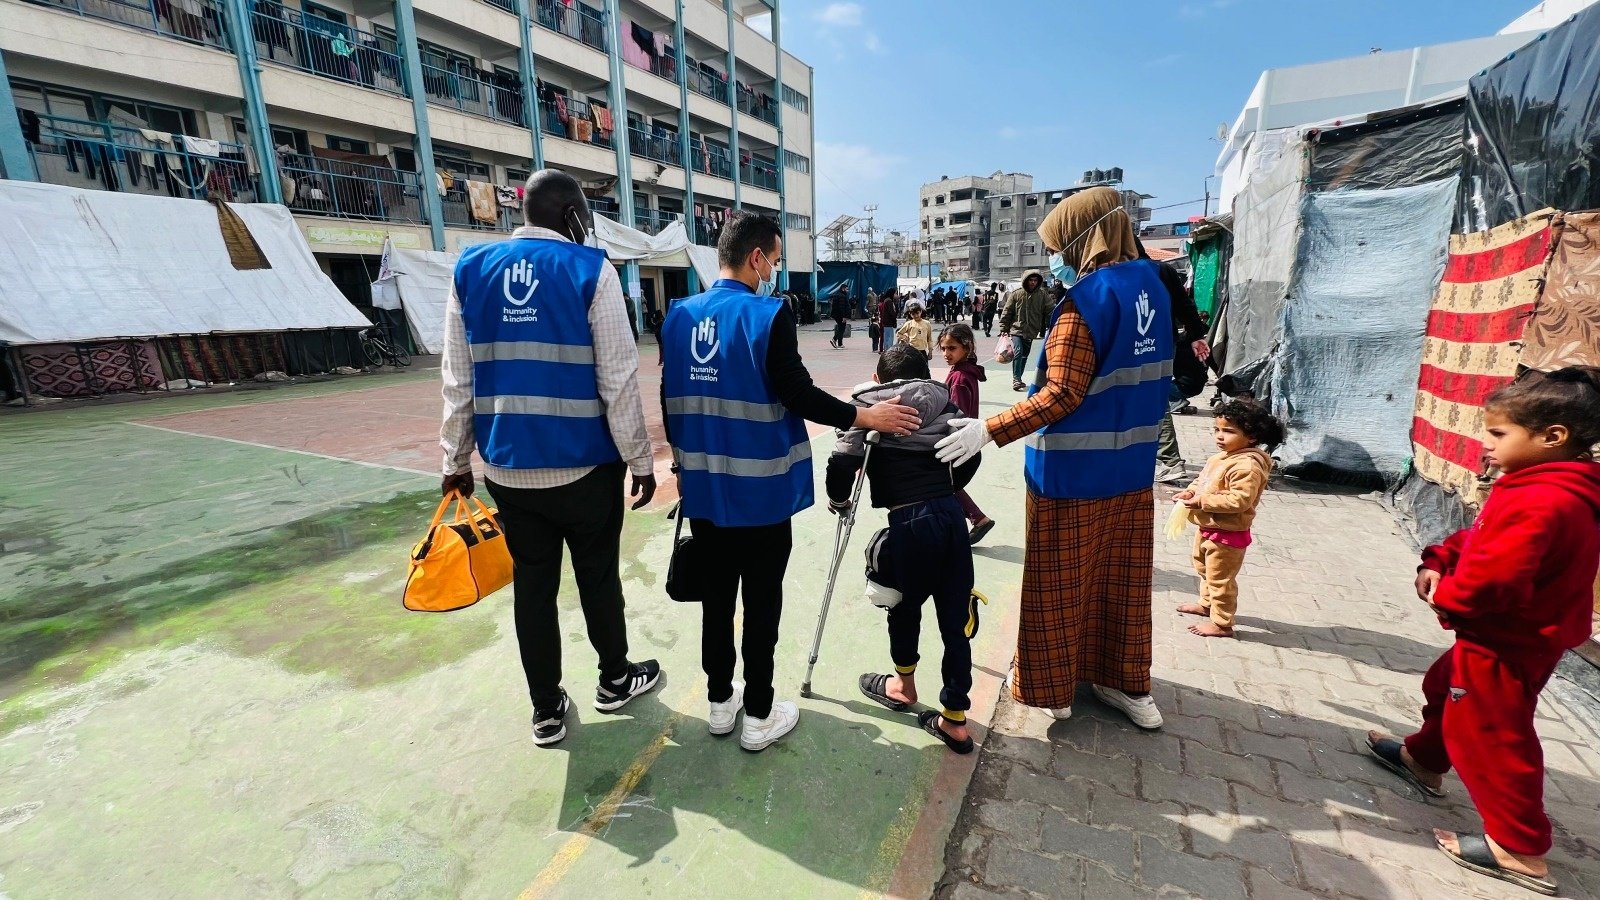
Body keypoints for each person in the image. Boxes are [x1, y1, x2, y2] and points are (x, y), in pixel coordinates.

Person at [660, 212, 921, 752]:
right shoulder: (767, 315)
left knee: (716, 601)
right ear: (757, 257)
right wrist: (864, 416)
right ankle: (757, 714)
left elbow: (671, 402)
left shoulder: (678, 315)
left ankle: (719, 704)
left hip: (704, 493)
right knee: (760, 605)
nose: (774, 271)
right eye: (775, 261)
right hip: (760, 496)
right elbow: (798, 394)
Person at [935, 186, 1174, 728]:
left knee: (1059, 583)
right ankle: (1127, 683)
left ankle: (1052, 686)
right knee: (1123, 582)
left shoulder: (1087, 302)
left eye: (1063, 244)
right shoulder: (1156, 290)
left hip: (1070, 472)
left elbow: (1061, 393)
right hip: (1134, 469)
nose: (1059, 257)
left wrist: (988, 430)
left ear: (1085, 240)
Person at [440, 169, 662, 748]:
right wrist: (641, 460)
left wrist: (453, 458)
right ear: (571, 216)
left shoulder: (469, 271)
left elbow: (457, 380)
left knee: (532, 590)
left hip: (507, 470)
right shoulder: (592, 272)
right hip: (585, 468)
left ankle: (546, 709)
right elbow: (618, 379)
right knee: (597, 578)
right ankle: (615, 678)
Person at [1364, 368, 1600, 898]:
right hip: (1513, 636)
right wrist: (1442, 554)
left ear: (1552, 437)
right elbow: (1483, 537)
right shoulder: (1542, 484)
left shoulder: (1544, 501)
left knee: (1493, 734)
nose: (1486, 445)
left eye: (1498, 434)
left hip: (1508, 639)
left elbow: (1493, 582)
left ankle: (1519, 849)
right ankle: (1423, 759)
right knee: (1446, 685)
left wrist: (1446, 592)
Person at [828, 343, 983, 754]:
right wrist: (949, 484)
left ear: (879, 378)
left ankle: (903, 687)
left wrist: (839, 500)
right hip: (951, 518)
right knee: (954, 618)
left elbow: (842, 461)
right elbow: (968, 452)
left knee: (903, 605)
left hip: (909, 522)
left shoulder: (870, 405)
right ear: (923, 372)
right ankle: (955, 720)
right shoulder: (944, 401)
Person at [1173, 399, 1282, 638]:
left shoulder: (1248, 466)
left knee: (1220, 579)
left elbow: (1239, 501)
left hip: (1228, 533)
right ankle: (1207, 604)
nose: (1220, 436)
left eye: (1229, 431)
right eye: (1217, 430)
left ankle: (1222, 624)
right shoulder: (1220, 458)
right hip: (1208, 525)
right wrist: (1190, 492)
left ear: (1252, 437)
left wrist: (1202, 501)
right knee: (1204, 569)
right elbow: (1202, 480)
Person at [1148, 251, 1213, 485]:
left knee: (1154, 400)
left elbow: (1183, 303)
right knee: (1152, 399)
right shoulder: (1162, 270)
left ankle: (1168, 461)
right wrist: (1196, 334)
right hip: (1162, 342)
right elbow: (1184, 304)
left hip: (1149, 344)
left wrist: (1195, 334)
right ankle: (1161, 458)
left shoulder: (1147, 272)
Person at [939, 323, 996, 544]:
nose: (946, 354)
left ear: (967, 347)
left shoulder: (961, 378)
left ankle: (975, 521)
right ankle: (978, 518)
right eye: (943, 348)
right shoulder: (962, 372)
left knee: (940, 486)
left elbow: (957, 418)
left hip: (959, 444)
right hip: (963, 444)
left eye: (951, 348)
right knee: (947, 486)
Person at [998, 270, 1051, 392]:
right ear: (1026, 280)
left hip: (1031, 331)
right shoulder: (1016, 294)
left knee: (1024, 355)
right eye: (1030, 280)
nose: (1033, 282)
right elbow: (1007, 311)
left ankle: (1019, 378)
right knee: (1018, 351)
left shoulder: (1042, 295)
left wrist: (1052, 324)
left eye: (1035, 280)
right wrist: (1003, 328)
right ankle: (1016, 379)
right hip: (1016, 329)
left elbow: (1050, 310)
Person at [878, 288, 899, 353]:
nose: (896, 295)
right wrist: (894, 320)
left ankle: (886, 350)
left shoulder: (887, 300)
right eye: (895, 293)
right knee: (889, 337)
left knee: (887, 337)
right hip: (888, 322)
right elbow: (891, 313)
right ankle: (888, 351)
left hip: (886, 322)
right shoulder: (889, 301)